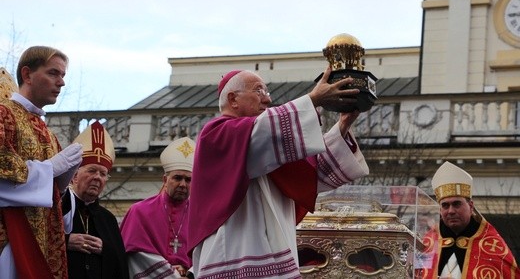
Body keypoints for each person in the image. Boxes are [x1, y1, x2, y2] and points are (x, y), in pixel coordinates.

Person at [188, 67, 370, 278]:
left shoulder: (269, 146)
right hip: (233, 255)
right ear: (233, 99)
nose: (267, 100)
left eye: (267, 92)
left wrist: (343, 125)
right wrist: (313, 100)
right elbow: (263, 133)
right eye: (259, 91)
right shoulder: (217, 134)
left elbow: (312, 175)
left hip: (276, 252)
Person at [0, 46, 83, 279]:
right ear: (27, 75)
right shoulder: (4, 114)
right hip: (11, 241)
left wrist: (63, 189)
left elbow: (62, 220)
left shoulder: (48, 133)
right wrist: (49, 170)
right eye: (53, 73)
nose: (61, 83)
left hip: (45, 248)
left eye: (63, 76)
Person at [418, 161, 519, 278]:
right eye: (445, 205)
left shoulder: (491, 245)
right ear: (440, 210)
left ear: (471, 206)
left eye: (456, 204)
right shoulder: (428, 244)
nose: (450, 211)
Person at [62, 120, 129, 278]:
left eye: (103, 174)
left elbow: (121, 265)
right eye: (92, 171)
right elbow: (38, 243)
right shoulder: (59, 207)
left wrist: (104, 250)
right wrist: (65, 242)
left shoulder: (108, 219)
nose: (97, 177)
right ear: (74, 176)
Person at [120, 137, 194, 278]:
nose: (183, 184)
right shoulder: (140, 212)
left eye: (188, 179)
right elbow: (134, 256)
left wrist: (189, 272)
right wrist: (172, 275)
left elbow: (207, 255)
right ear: (165, 180)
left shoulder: (200, 217)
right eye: (177, 178)